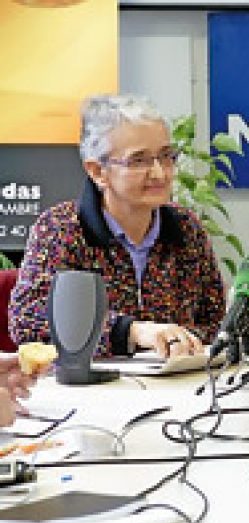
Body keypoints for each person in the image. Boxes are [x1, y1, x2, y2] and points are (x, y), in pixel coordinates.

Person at [9, 95, 225, 358]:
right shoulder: (61, 228)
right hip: (90, 390)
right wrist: (130, 332)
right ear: (98, 172)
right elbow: (28, 320)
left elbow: (213, 321)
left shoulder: (186, 228)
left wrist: (182, 344)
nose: (159, 173)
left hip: (177, 386)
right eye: (139, 160)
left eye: (166, 156)